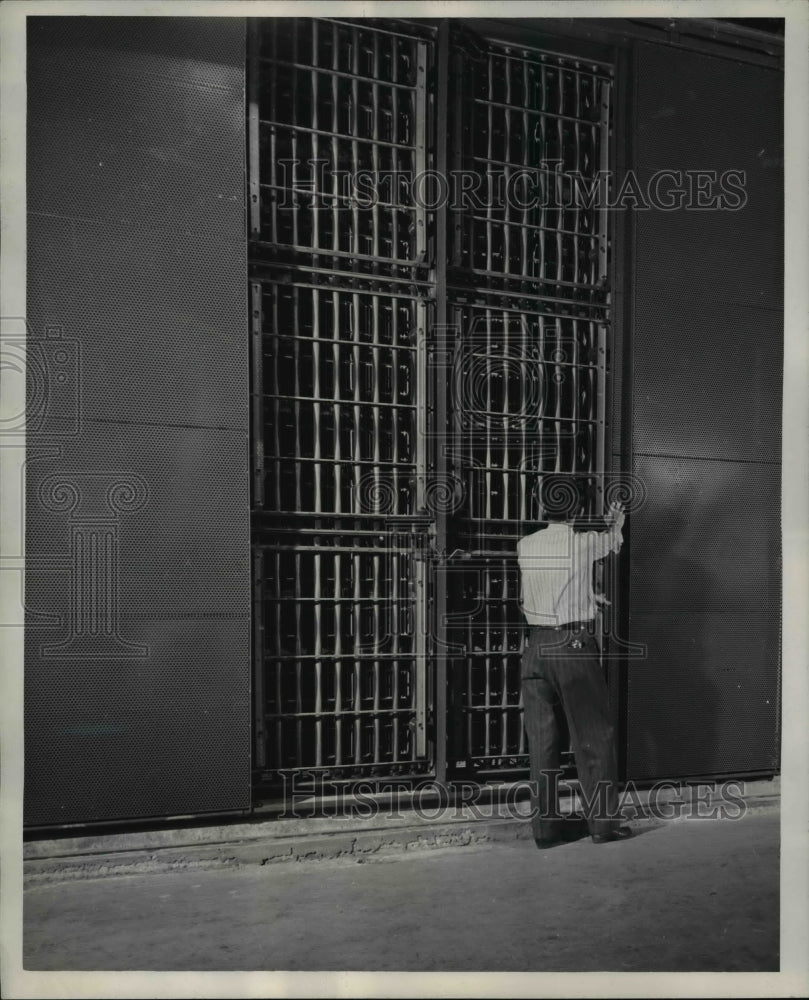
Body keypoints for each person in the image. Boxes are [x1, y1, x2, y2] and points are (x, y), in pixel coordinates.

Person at [517, 492, 633, 848]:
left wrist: (584, 595)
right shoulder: (582, 543)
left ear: (539, 507)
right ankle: (602, 827)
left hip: (536, 648)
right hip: (573, 647)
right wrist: (615, 521)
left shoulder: (524, 545)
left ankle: (546, 832)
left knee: (542, 743)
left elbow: (537, 592)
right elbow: (613, 541)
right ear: (579, 511)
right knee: (594, 738)